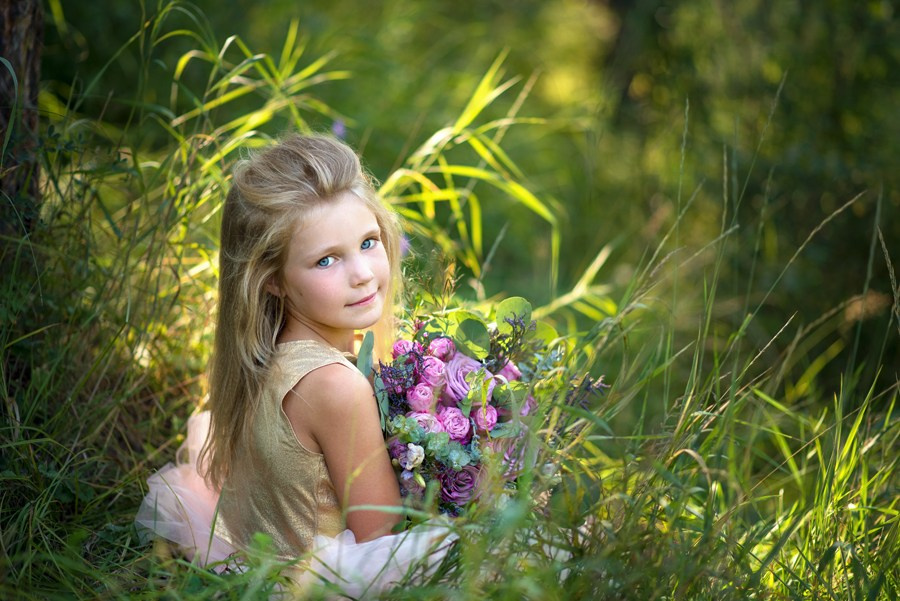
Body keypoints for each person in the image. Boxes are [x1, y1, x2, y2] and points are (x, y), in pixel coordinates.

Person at [135, 134, 454, 597]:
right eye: (326, 260)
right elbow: (384, 545)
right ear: (273, 282)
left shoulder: (268, 356)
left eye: (368, 242)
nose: (362, 273)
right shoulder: (335, 387)